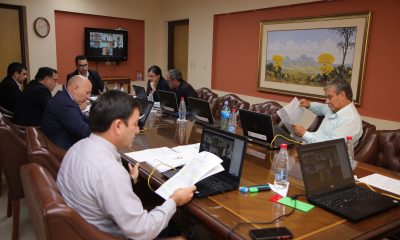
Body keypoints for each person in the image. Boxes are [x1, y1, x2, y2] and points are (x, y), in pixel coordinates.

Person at [57, 90, 196, 239]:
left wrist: (128, 180)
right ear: (118, 126)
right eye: (135, 124)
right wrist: (174, 200)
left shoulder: (78, 147)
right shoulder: (110, 172)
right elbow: (142, 231)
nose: (137, 130)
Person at [292, 79, 363, 146]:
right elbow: (321, 108)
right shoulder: (335, 108)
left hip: (325, 155)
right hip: (312, 148)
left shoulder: (351, 121)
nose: (327, 101)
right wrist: (309, 105)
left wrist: (304, 134)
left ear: (342, 95)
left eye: (330, 97)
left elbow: (330, 146)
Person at [41, 75, 92, 150]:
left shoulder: (65, 98)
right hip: (66, 150)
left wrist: (102, 120)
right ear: (75, 89)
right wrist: (105, 129)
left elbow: (83, 118)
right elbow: (85, 132)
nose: (88, 97)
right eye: (87, 92)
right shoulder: (65, 104)